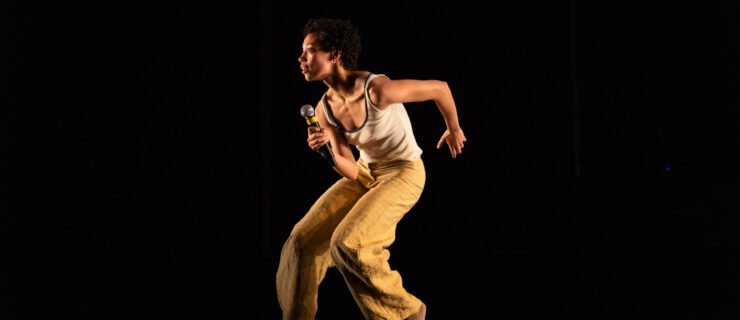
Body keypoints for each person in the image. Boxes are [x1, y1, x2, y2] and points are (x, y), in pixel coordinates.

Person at [276, 17, 466, 320]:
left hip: (404, 172)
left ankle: (407, 313)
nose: (301, 59)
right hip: (366, 172)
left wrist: (453, 128)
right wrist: (327, 153)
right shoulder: (324, 110)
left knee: (348, 244)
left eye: (309, 51)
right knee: (302, 241)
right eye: (302, 53)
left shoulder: (376, 89)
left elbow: (440, 89)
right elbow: (351, 170)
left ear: (335, 54)